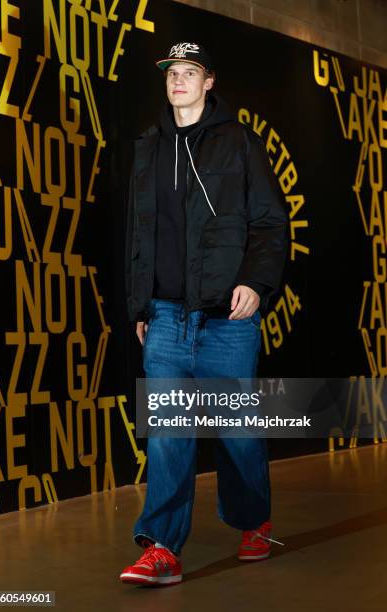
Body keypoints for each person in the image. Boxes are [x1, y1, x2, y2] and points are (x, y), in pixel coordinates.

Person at [121, 42, 288, 586]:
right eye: (172, 73)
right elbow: (137, 235)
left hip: (227, 319)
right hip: (167, 317)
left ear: (208, 81)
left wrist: (257, 283)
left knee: (239, 433)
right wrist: (139, 303)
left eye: (190, 72)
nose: (179, 81)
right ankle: (163, 547)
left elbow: (269, 222)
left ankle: (252, 520)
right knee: (169, 433)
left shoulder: (238, 142)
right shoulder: (148, 147)